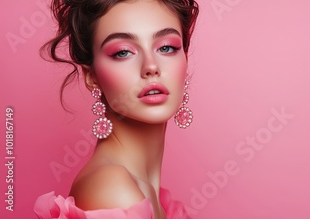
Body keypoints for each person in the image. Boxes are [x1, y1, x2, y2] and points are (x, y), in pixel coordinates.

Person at [34, 0, 199, 218]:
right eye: (123, 52)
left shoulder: (151, 194)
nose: (151, 66)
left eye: (166, 47)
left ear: (185, 58)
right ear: (91, 76)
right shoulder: (112, 190)